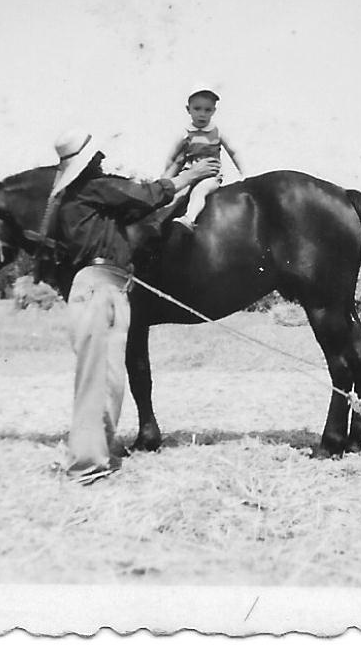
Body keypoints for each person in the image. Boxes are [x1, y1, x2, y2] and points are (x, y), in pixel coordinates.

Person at [49, 128, 219, 484]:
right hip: (100, 289)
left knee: (109, 380)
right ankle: (85, 464)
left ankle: (97, 454)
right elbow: (147, 195)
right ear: (87, 164)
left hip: (109, 286)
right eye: (95, 157)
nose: (100, 160)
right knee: (99, 380)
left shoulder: (86, 199)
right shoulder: (94, 188)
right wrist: (189, 175)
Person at [161, 88, 245, 230]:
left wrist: (243, 173)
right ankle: (158, 226)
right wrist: (167, 177)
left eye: (207, 110)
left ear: (214, 111)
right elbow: (171, 157)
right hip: (188, 174)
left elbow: (233, 151)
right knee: (174, 196)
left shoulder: (217, 132)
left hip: (209, 175)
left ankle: (189, 219)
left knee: (199, 192)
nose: (202, 114)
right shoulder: (185, 133)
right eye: (197, 109)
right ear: (188, 109)